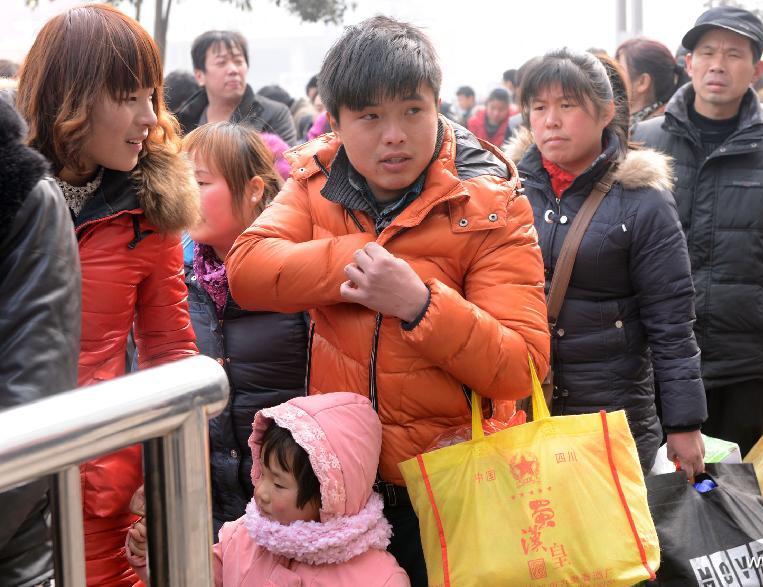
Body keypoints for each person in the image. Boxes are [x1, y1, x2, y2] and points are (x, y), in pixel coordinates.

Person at [225, 16, 550, 585]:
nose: (394, 135)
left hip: (451, 487)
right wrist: (359, 254)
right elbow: (248, 270)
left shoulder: (491, 200)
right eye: (370, 117)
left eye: (411, 111)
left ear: (437, 104)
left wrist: (421, 303)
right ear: (338, 121)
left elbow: (520, 368)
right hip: (340, 487)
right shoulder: (316, 181)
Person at [16, 5, 200, 584]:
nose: (150, 117)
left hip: (99, 486)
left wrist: (162, 477)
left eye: (153, 96)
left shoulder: (149, 210)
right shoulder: (11, 201)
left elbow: (170, 350)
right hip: (11, 472)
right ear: (70, 98)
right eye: (129, 97)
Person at [633, 6, 763, 458]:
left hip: (739, 366)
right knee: (654, 508)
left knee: (726, 500)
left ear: (757, 69)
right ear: (687, 63)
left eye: (733, 54)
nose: (717, 64)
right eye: (706, 52)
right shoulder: (644, 143)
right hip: (650, 364)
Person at [504, 49, 706, 476]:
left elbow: (672, 322)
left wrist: (684, 424)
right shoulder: (508, 189)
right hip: (525, 414)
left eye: (567, 105)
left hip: (611, 420)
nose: (550, 120)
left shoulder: (643, 202)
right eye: (539, 107)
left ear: (605, 112)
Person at [126, 394, 410, 586]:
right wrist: (157, 554)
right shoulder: (242, 537)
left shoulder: (378, 578)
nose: (260, 491)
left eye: (278, 483)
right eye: (262, 473)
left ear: (328, 496)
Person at [181, 122, 308, 537]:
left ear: (254, 189)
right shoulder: (175, 278)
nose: (186, 194)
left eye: (199, 182)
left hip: (292, 509)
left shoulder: (293, 269)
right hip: (206, 509)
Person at [0, 96, 81, 587]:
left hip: (22, 525)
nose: (149, 117)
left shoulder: (22, 192)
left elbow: (34, 388)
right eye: (128, 97)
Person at [176, 30, 297, 145]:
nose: (233, 70)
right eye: (221, 63)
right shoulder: (183, 123)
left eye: (238, 61)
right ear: (199, 76)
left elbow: (286, 164)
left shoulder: (274, 115)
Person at [615, 38, 690, 126]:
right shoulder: (627, 125)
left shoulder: (654, 132)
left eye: (619, 70)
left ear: (643, 82)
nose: (612, 76)